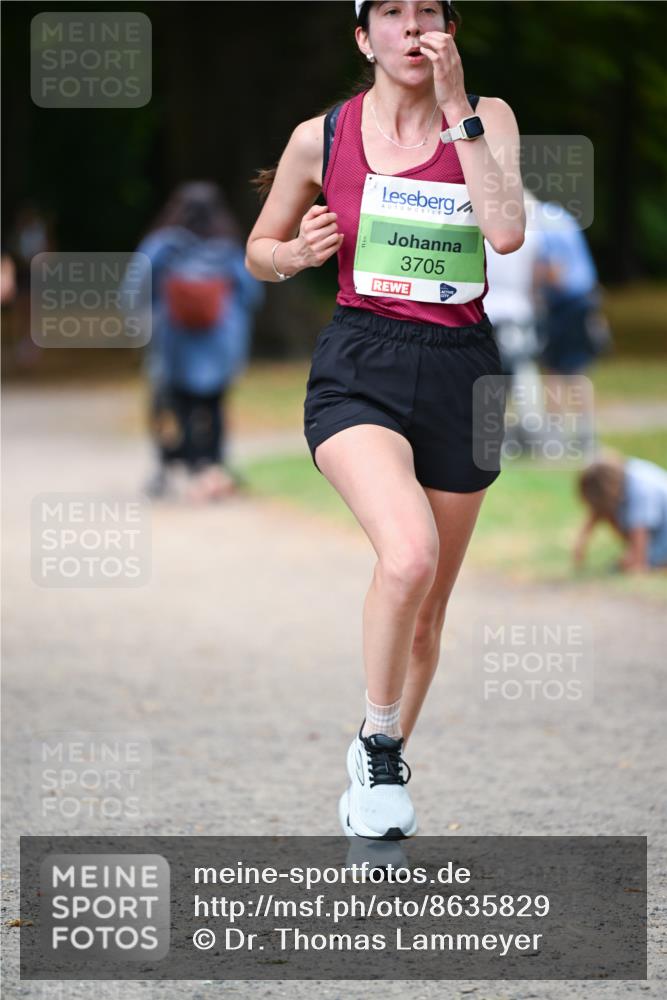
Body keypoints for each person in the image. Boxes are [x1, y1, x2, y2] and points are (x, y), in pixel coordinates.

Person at [246, 0, 525, 840]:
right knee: (407, 556)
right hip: (358, 365)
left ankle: (387, 743)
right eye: (392, 14)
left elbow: (505, 233)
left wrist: (458, 112)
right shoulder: (319, 136)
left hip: (463, 371)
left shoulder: (487, 118)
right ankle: (375, 744)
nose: (412, 28)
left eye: (428, 11)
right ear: (364, 37)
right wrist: (293, 254)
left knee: (431, 607)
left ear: (448, 30)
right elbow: (260, 247)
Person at [130, 182, 264, 502]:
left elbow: (135, 288)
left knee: (174, 406)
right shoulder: (228, 245)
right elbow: (252, 293)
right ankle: (213, 466)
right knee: (214, 405)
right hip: (220, 344)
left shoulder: (162, 245)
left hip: (173, 342)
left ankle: (171, 468)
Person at [536, 202, 612, 458]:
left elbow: (555, 271)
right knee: (578, 370)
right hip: (584, 299)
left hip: (563, 305)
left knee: (555, 370)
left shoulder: (537, 224)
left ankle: (556, 437)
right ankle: (585, 434)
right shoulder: (561, 216)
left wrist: (534, 295)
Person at [484, 190, 547, 454]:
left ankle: (495, 432)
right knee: (521, 374)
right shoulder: (531, 235)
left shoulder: (486, 234)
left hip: (488, 308)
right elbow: (535, 276)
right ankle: (530, 432)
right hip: (518, 311)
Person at [574, 453, 667, 574]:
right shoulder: (623, 475)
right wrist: (580, 545)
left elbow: (640, 530)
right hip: (657, 535)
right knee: (624, 562)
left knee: (628, 564)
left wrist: (637, 563)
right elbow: (598, 510)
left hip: (662, 537)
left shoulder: (641, 490)